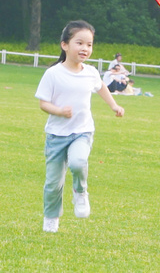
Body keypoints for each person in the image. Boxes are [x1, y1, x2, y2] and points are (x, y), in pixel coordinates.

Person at [35, 20, 124, 233]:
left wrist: (114, 105)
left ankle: (80, 192)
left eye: (89, 44)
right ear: (65, 45)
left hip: (82, 132)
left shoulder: (90, 72)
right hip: (56, 136)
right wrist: (59, 111)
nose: (85, 48)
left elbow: (101, 87)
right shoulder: (53, 74)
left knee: (78, 162)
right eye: (80, 43)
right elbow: (43, 103)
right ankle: (51, 218)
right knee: (53, 183)